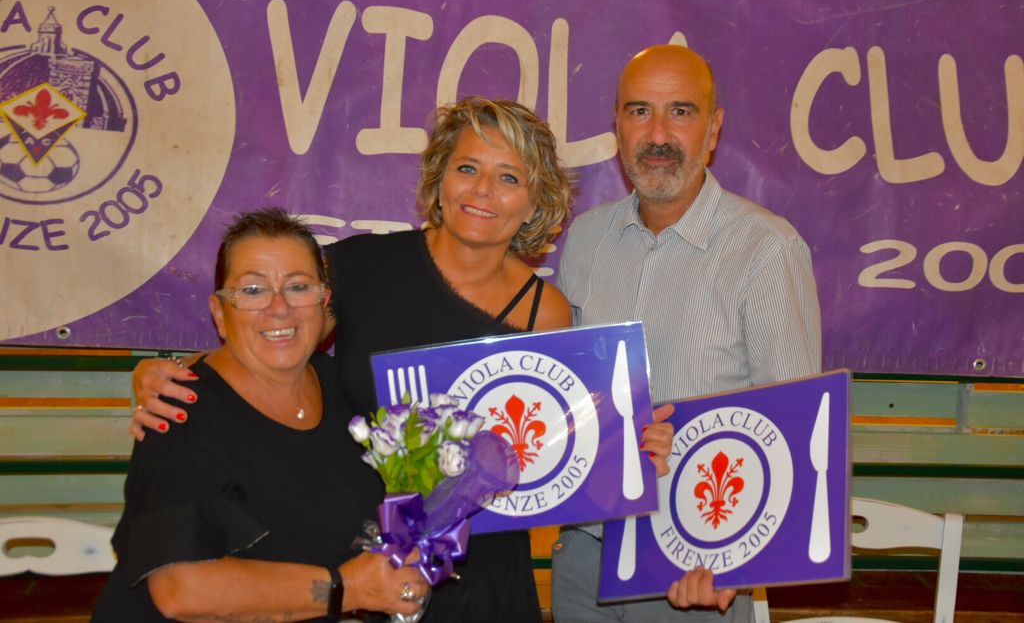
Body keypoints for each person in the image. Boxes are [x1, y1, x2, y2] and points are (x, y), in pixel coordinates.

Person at [129, 97, 675, 622]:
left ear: (535, 201)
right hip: (363, 567)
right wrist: (165, 375)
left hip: (486, 575)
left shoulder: (544, 310)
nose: (482, 190)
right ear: (440, 177)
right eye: (467, 168)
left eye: (509, 177)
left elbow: (557, 444)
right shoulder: (356, 268)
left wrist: (627, 444)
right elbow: (269, 343)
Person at [552, 44, 822, 622]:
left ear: (714, 127)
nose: (657, 134)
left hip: (698, 567)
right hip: (583, 554)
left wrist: (740, 564)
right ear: (617, 126)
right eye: (639, 111)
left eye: (680, 111)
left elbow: (794, 430)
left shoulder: (766, 249)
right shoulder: (586, 239)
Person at [93, 208, 428, 621]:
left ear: (324, 302)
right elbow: (181, 589)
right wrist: (347, 588)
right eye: (253, 290)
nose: (279, 308)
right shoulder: (178, 411)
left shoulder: (345, 387)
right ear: (220, 313)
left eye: (298, 286)